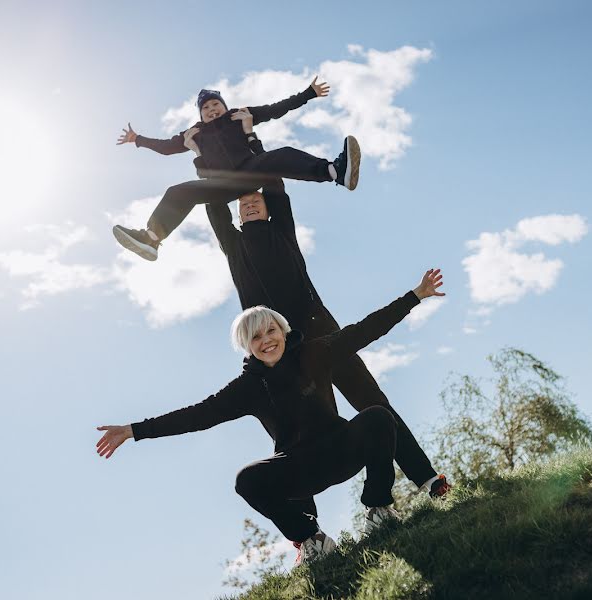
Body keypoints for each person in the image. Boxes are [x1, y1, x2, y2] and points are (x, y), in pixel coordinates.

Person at [96, 268, 446, 566]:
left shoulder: (315, 352)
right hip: (299, 467)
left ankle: (379, 509)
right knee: (247, 480)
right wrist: (134, 430)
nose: (267, 340)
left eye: (272, 331)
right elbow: (197, 416)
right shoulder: (248, 387)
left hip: (341, 449)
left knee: (378, 417)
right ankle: (312, 541)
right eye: (257, 337)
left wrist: (415, 296)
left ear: (283, 331)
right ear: (248, 346)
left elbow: (364, 330)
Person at [205, 134, 450, 504]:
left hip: (321, 333)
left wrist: (251, 141)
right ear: (238, 214)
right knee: (297, 434)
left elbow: (273, 179)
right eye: (244, 203)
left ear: (268, 208)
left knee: (373, 401)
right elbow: (212, 202)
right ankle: (309, 532)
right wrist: (204, 149)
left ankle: (428, 479)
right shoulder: (233, 245)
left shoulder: (281, 231)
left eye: (256, 200)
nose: (251, 204)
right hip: (280, 354)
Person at [111, 77, 361, 261]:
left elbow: (275, 109)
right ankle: (152, 238)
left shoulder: (239, 115)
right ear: (200, 113)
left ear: (223, 105)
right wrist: (138, 139)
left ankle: (334, 172)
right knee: (177, 192)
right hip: (221, 184)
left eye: (215, 105)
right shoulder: (195, 132)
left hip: (250, 170)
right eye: (206, 108)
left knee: (281, 155)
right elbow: (166, 147)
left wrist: (307, 93)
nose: (211, 110)